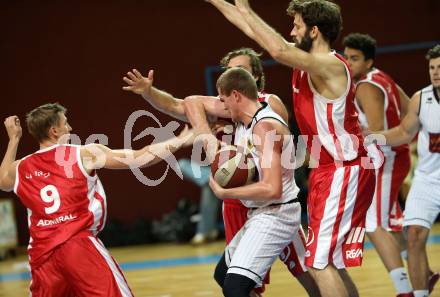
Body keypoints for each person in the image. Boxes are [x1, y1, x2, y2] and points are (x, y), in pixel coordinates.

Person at [208, 1, 377, 297]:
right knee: (327, 263)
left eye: (297, 25)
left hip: (344, 169)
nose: (291, 31)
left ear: (314, 31)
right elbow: (255, 32)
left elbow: (278, 50)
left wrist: (247, 7)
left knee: (319, 263)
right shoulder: (309, 62)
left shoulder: (330, 65)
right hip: (329, 171)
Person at [122, 47, 320, 297]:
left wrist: (237, 163)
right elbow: (183, 104)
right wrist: (150, 93)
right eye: (230, 70)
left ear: (254, 78)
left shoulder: (269, 107)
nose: (233, 74)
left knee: (302, 269)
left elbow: (276, 164)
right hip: (242, 203)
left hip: (271, 199)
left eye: (240, 70)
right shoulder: (224, 108)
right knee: (234, 279)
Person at [0, 103, 193, 296]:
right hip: (78, 245)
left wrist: (13, 139)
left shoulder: (21, 167)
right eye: (66, 124)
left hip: (42, 254)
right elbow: (140, 157)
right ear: (54, 131)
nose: (70, 128)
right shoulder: (82, 154)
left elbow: (2, 182)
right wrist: (178, 141)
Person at [210, 66, 302, 297]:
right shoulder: (245, 125)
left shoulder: (264, 125)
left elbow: (272, 188)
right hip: (261, 213)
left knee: (234, 287)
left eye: (223, 99)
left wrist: (224, 193)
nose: (222, 106)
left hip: (276, 213)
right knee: (223, 274)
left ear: (236, 95)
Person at [342, 33, 414, 297]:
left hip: (385, 160)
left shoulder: (365, 86)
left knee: (374, 225)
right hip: (395, 155)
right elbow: (409, 109)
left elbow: (376, 131)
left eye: (355, 58)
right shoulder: (384, 78)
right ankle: (422, 273)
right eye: (346, 57)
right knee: (388, 224)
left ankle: (404, 290)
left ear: (369, 61)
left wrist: (354, 136)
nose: (348, 63)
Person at [374, 44, 440, 297]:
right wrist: (374, 137)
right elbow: (404, 132)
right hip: (427, 181)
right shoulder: (421, 98)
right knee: (413, 236)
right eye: (432, 67)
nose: (435, 72)